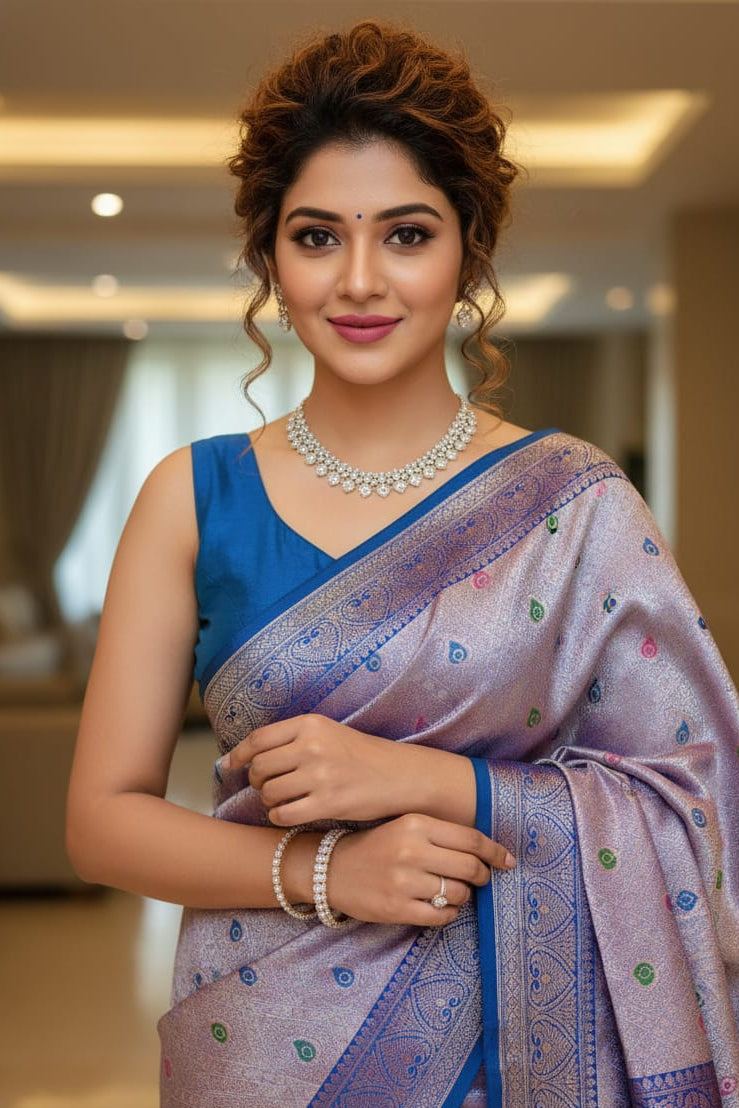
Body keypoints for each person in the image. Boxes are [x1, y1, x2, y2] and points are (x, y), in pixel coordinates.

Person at [66, 20, 739, 1108]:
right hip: (262, 1045)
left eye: (407, 234)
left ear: (468, 249)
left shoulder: (575, 502)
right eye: (319, 236)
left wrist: (440, 784)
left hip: (519, 1053)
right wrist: (327, 871)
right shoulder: (193, 497)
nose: (361, 280)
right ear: (270, 260)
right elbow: (101, 820)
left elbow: (695, 805)